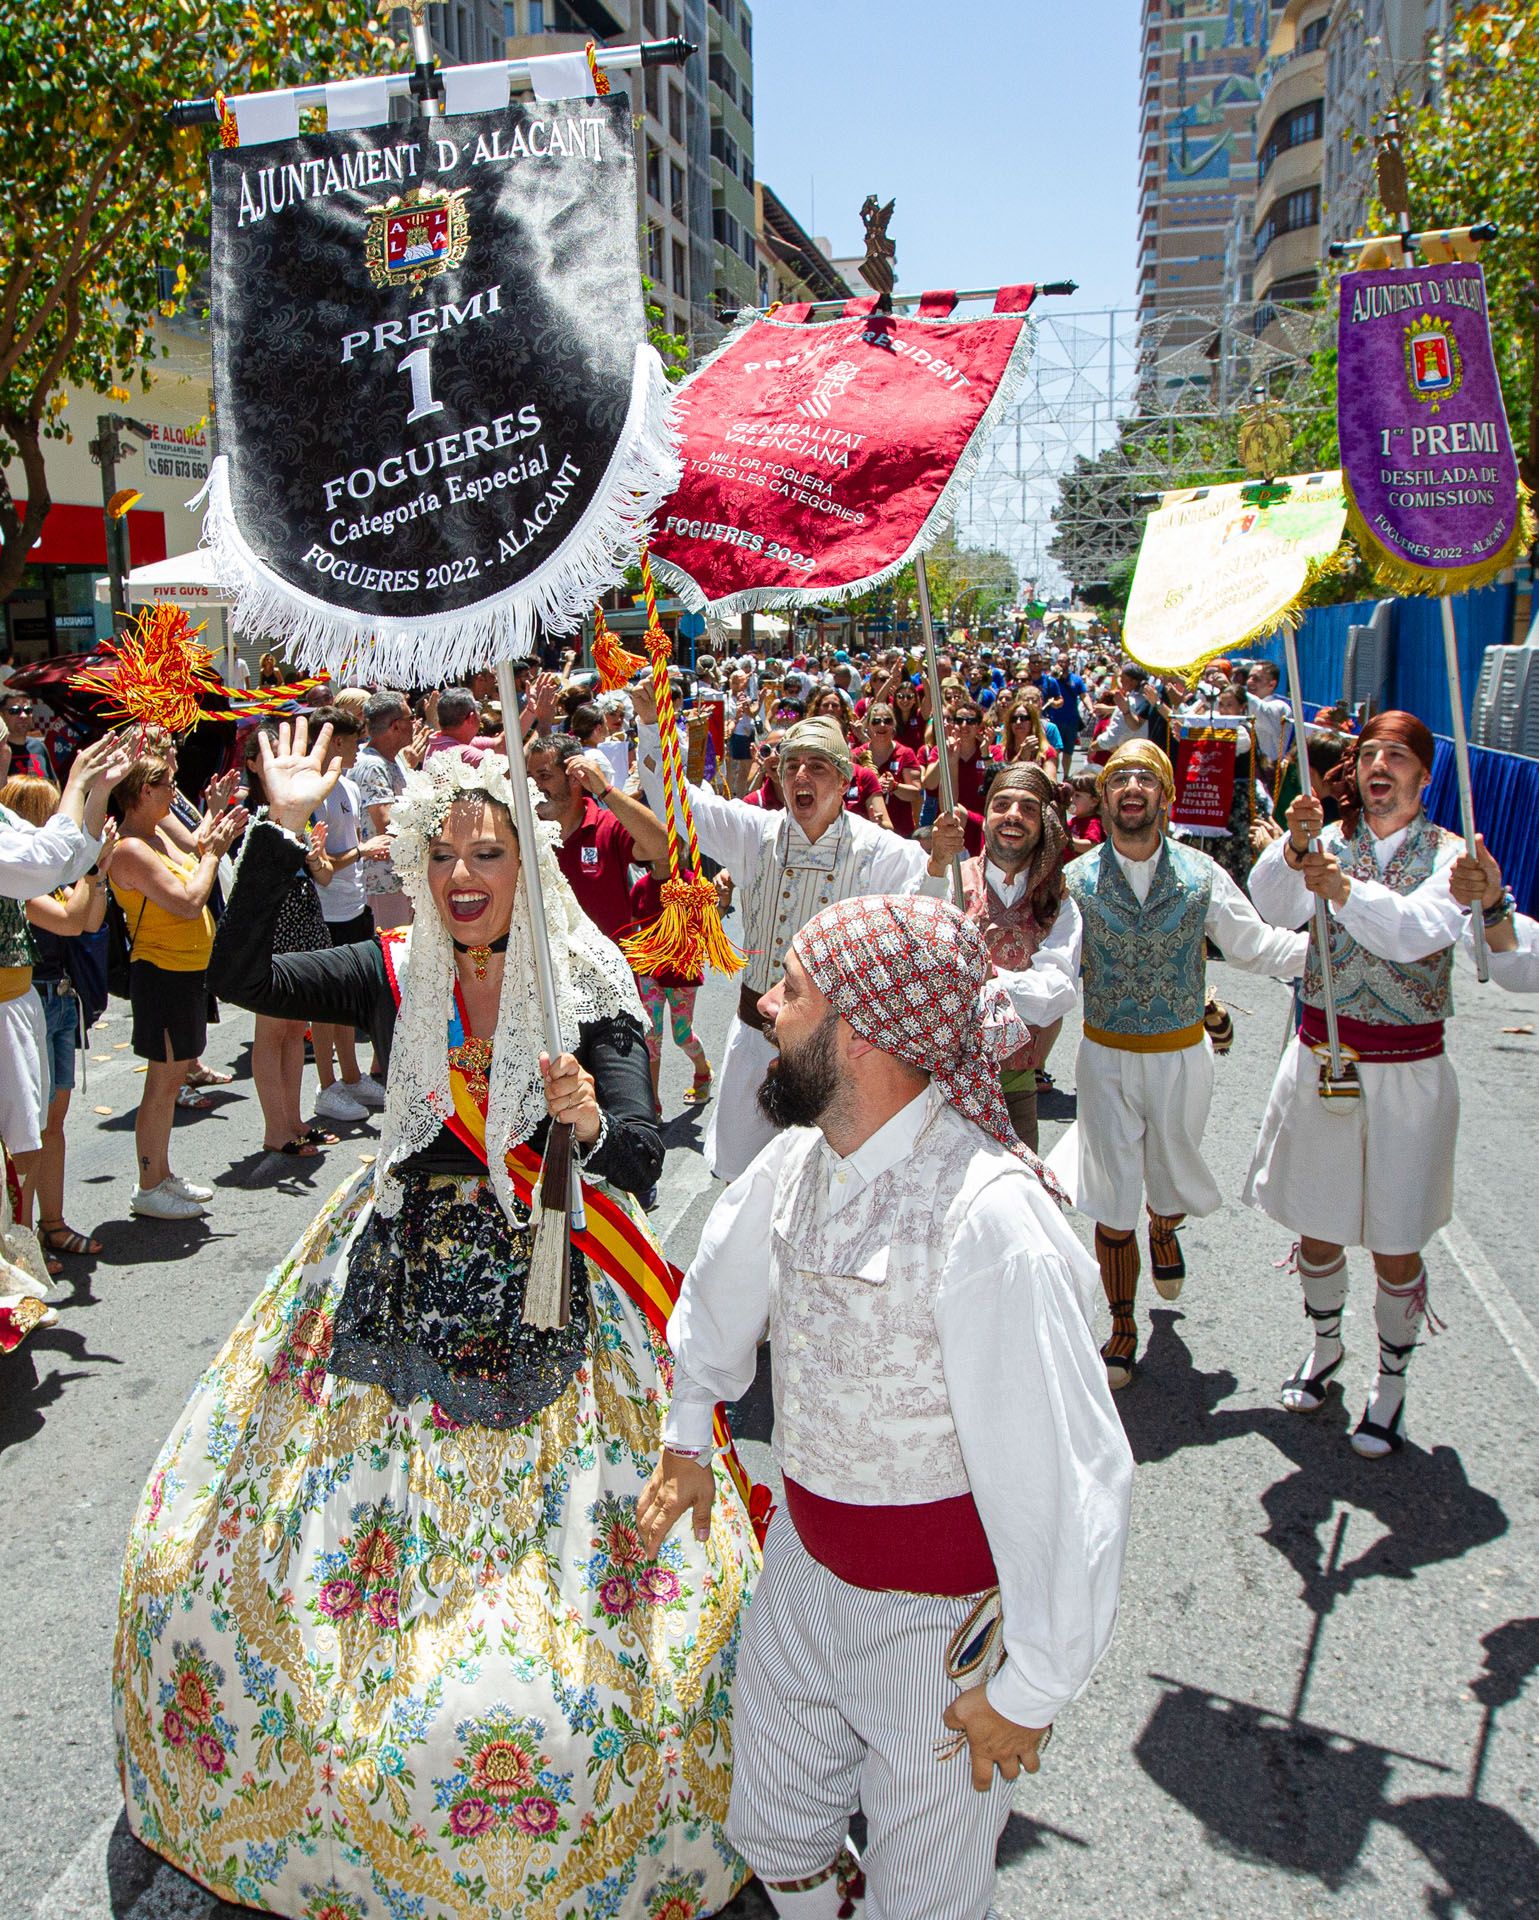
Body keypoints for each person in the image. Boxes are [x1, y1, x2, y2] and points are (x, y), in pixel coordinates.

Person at [115, 725, 760, 1920]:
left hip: (555, 1288)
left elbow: (638, 1160)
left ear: (532, 866)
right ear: (420, 859)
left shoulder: (589, 983)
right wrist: (288, 826)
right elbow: (243, 976)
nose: (466, 876)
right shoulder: (396, 964)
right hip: (389, 1293)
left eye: (492, 853)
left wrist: (583, 1120)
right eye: (448, 852)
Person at [639, 893, 1132, 1920]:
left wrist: (1030, 1689)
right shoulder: (798, 1159)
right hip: (805, 1576)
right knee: (771, 1825)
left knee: (931, 1894)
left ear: (861, 1034)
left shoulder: (990, 1219)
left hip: (935, 1628)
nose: (769, 1006)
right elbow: (721, 1289)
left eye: (798, 991)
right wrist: (690, 1428)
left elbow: (1066, 1475)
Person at [1245, 711, 1468, 1457]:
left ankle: (1393, 1377)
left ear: (1423, 775)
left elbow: (1413, 932)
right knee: (1318, 1221)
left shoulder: (1449, 856)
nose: (1378, 767)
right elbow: (1270, 904)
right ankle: (1325, 1343)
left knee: (1396, 1237)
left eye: (1396, 757)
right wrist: (1295, 845)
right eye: (1367, 753)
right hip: (1324, 1061)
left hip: (1406, 1070)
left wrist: (1341, 889)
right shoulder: (1326, 841)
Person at [632, 684, 966, 1182]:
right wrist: (649, 725)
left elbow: (927, 919)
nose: (800, 776)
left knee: (827, 1182)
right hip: (753, 1037)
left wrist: (939, 861)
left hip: (833, 1052)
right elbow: (678, 803)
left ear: (845, 780)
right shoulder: (756, 833)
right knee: (742, 1178)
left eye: (816, 765)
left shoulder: (880, 850)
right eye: (791, 766)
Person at [1058, 741, 1307, 1389]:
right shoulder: (1074, 880)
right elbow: (1053, 964)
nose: (1132, 787)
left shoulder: (1201, 875)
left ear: (1166, 798)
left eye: (1146, 777)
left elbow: (1253, 947)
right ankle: (1120, 1324)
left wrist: (1331, 947)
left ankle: (1164, 1228)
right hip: (1104, 1056)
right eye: (1119, 778)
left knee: (1169, 1175)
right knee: (1111, 1196)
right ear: (1105, 797)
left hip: (1180, 1058)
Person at [108, 754, 244, 1220]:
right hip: (161, 975)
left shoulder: (158, 833)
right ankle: (149, 1186)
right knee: (162, 1085)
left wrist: (215, 811)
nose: (173, 791)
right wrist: (211, 854)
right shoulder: (130, 848)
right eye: (167, 784)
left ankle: (161, 1174)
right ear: (144, 792)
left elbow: (200, 847)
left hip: (185, 973)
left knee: (168, 1084)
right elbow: (188, 901)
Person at [2, 775, 116, 1263]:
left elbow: (88, 921)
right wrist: (88, 871)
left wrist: (95, 873)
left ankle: (48, 1225)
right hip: (28, 998)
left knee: (51, 1123)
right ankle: (20, 1242)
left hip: (51, 997)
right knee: (24, 1134)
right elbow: (71, 920)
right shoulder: (20, 878)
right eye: (52, 815)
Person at [959, 764, 1079, 1152]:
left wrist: (983, 980)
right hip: (936, 1085)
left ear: (1045, 823)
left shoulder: (1058, 901)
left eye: (1028, 808)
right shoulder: (949, 881)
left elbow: (1054, 995)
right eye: (1002, 804)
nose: (1012, 815)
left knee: (1016, 1201)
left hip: (1015, 1087)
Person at [236, 723, 338, 1159]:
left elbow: (327, 875)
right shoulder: (246, 812)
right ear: (254, 764)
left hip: (305, 913)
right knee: (271, 1030)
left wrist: (316, 860)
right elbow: (245, 876)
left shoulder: (306, 810)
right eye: (270, 755)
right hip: (270, 922)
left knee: (298, 1028)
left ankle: (295, 1120)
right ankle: (275, 1128)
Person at [308, 705, 387, 1123]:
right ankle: (326, 1085)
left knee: (349, 1000)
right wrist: (364, 851)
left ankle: (352, 1076)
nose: (360, 749)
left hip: (355, 907)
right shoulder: (312, 791)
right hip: (325, 912)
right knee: (325, 1004)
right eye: (355, 741)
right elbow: (317, 863)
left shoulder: (349, 788)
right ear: (336, 741)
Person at [525, 731, 668, 944]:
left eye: (544, 776)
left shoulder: (607, 824)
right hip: (549, 971)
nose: (534, 787)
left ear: (575, 778)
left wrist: (606, 790)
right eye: (529, 778)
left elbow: (663, 847)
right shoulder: (524, 832)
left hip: (608, 972)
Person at [350, 689, 421, 932]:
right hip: (384, 881)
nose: (415, 724)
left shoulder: (392, 759)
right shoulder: (372, 765)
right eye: (410, 719)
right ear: (395, 726)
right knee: (391, 953)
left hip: (399, 878)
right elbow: (387, 823)